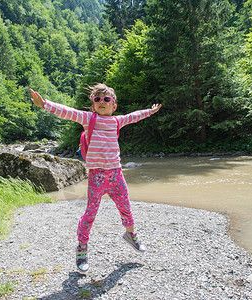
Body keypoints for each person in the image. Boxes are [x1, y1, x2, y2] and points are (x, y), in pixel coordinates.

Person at [30, 84, 161, 273]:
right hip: (96, 175)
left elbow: (134, 116)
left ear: (114, 106)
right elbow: (67, 112)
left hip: (116, 173)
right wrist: (45, 104)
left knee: (125, 207)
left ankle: (131, 235)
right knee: (90, 213)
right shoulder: (88, 118)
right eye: (97, 99)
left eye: (106, 99)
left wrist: (150, 111)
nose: (102, 102)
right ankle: (82, 248)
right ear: (93, 104)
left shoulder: (117, 121)